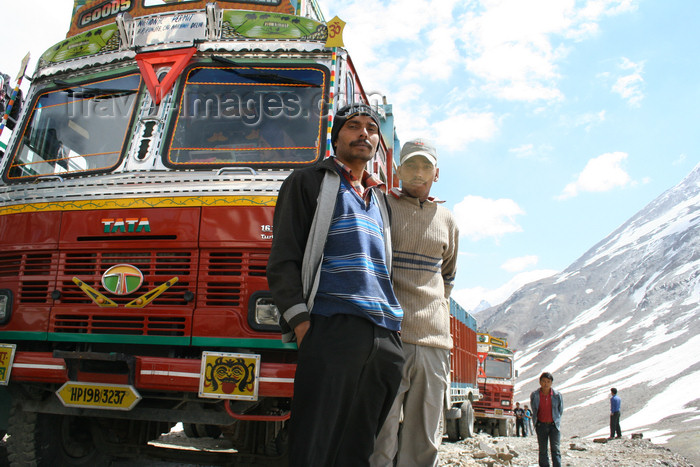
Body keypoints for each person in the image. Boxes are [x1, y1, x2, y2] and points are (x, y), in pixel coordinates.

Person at [266, 103, 404, 467]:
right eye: (353, 126)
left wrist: (394, 338)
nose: (364, 134)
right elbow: (283, 258)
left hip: (384, 336)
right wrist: (301, 323)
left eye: (371, 128)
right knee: (316, 444)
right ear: (336, 136)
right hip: (333, 327)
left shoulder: (381, 201)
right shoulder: (308, 182)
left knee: (358, 448)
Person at [370, 138, 458, 467]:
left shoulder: (447, 220)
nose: (418, 173)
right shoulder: (381, 206)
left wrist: (433, 312)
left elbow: (447, 277)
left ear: (437, 173)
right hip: (390, 337)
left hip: (434, 343)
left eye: (425, 166)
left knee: (424, 439)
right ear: (397, 170)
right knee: (381, 432)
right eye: (411, 165)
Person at [530, 372, 564, 467]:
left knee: (555, 449)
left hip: (554, 426)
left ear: (551, 383)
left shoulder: (557, 395)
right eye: (544, 381)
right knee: (543, 450)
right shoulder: (535, 395)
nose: (546, 384)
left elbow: (560, 410)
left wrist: (556, 420)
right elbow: (534, 409)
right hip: (541, 425)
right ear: (540, 382)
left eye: (548, 381)